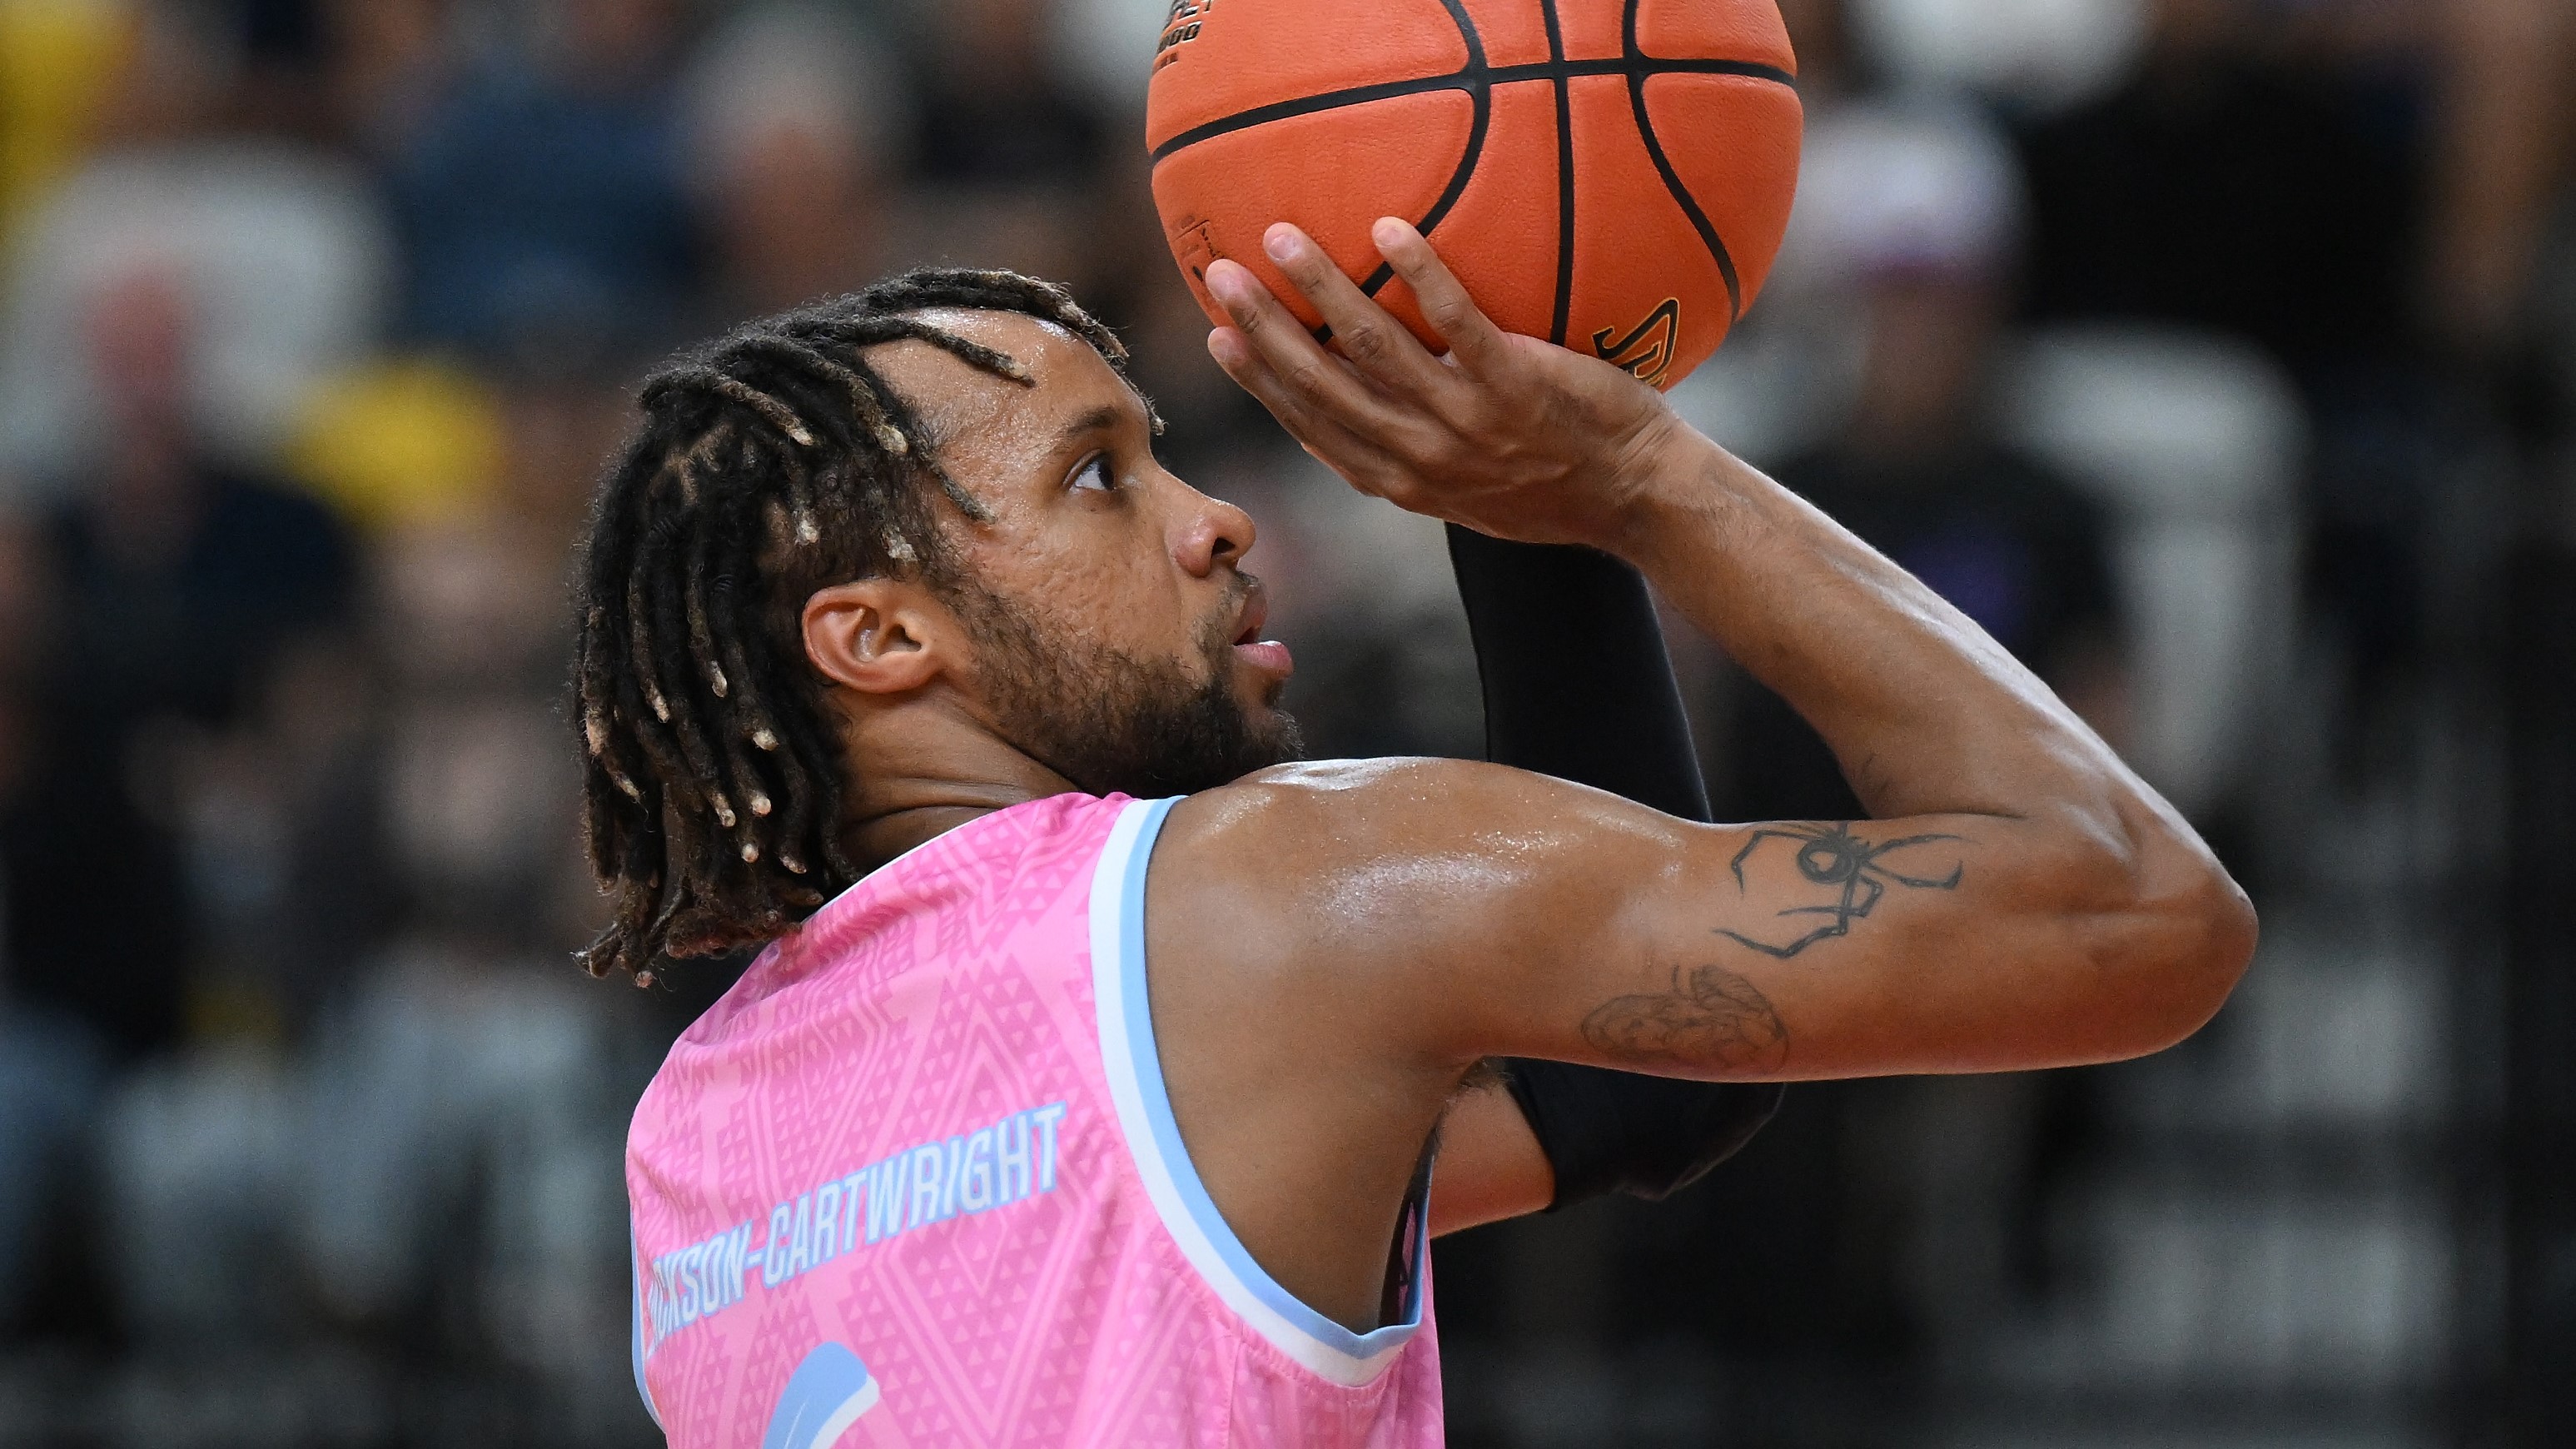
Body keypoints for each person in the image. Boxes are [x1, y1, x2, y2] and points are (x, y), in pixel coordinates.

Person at [599, 225, 2255, 1445]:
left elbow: (1617, 1097)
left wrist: (1518, 525)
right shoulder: (1257, 899)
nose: (1214, 517)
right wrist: (1634, 476)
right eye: (1096, 479)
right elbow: (2129, 913)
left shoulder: (696, 1136)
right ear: (880, 639)